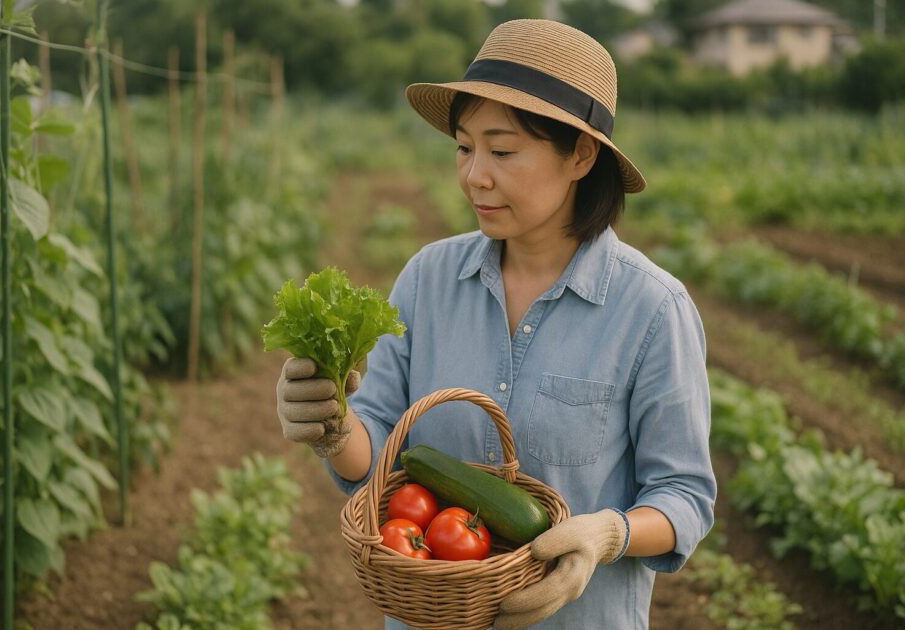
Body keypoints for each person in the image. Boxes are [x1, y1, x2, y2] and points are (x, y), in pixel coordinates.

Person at [275, 19, 716, 630]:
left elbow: (684, 497)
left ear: (581, 155)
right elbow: (378, 452)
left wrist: (607, 534)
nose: (474, 175)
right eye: (464, 147)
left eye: (503, 151)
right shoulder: (428, 279)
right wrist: (333, 426)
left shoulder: (652, 310)